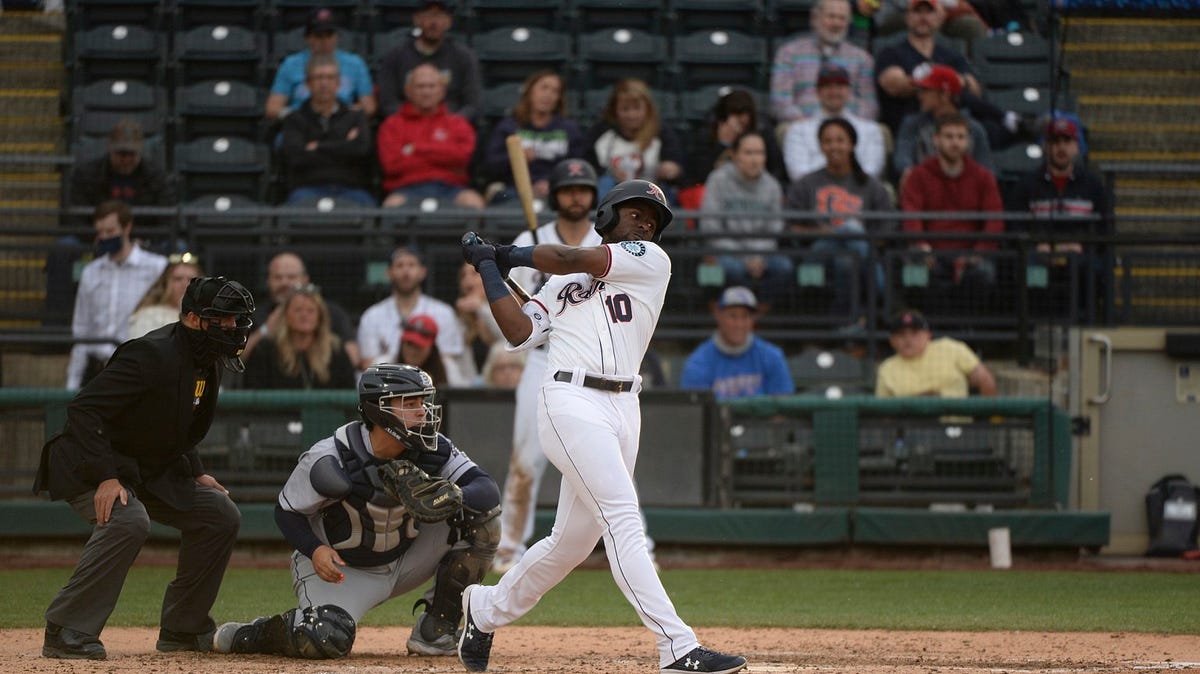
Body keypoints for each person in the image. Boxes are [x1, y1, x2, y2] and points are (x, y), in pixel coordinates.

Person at [457, 179, 747, 674]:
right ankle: (676, 646)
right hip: (569, 399)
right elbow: (519, 330)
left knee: (569, 543)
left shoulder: (650, 260)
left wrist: (507, 252)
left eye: (652, 220)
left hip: (623, 405)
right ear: (610, 214)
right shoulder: (561, 281)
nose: (645, 224)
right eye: (636, 214)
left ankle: (483, 610)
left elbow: (571, 258)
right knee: (622, 518)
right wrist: (489, 268)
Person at [214, 364, 501, 659]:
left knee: (483, 522)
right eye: (411, 404)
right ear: (380, 411)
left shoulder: (433, 448)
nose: (423, 412)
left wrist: (453, 494)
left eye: (423, 402)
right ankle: (251, 634)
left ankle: (436, 633)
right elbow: (286, 512)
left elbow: (488, 490)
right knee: (324, 637)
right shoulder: (331, 455)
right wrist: (314, 549)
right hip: (341, 569)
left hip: (405, 557)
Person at [34, 276, 255, 660]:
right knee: (128, 520)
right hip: (88, 461)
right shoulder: (151, 354)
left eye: (238, 320)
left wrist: (196, 469)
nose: (234, 328)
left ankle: (183, 627)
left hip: (144, 467)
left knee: (219, 513)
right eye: (224, 319)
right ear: (193, 318)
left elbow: (180, 424)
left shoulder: (206, 359)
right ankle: (66, 629)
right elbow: (85, 410)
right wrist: (106, 476)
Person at [490, 158, 603, 574]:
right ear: (555, 196)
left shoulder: (602, 238)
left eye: (583, 189)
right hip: (541, 360)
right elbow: (513, 302)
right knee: (526, 460)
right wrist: (535, 286)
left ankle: (632, 543)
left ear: (592, 196)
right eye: (568, 189)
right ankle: (507, 548)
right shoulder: (528, 239)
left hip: (589, 359)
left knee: (605, 458)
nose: (576, 196)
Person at [787, 118, 895, 319]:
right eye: (827, 141)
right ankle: (873, 297)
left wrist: (852, 237)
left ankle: (843, 324)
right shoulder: (806, 184)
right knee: (851, 230)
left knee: (846, 259)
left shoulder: (872, 186)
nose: (834, 146)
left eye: (840, 140)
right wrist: (829, 233)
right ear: (820, 146)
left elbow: (885, 232)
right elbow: (791, 229)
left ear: (852, 144)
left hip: (858, 255)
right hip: (817, 253)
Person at [1007, 116, 1112, 319]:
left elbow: (1105, 228)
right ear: (1046, 146)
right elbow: (1014, 225)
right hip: (1039, 254)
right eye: (1055, 142)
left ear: (1076, 146)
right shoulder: (1027, 184)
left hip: (1080, 255)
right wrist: (1037, 246)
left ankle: (1084, 325)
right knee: (1029, 271)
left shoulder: (1093, 185)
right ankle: (1033, 329)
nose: (1061, 148)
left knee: (1093, 270)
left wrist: (1081, 246)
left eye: (1067, 141)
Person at [900, 113, 1004, 303]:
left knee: (984, 272)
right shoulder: (918, 175)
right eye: (949, 137)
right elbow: (911, 214)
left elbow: (994, 220)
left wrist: (978, 253)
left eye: (960, 137)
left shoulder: (983, 177)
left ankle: (972, 330)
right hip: (931, 252)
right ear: (936, 140)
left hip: (971, 254)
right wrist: (922, 246)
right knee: (913, 270)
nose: (955, 143)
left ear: (968, 142)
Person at [66, 200, 168, 389]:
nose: (104, 237)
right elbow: (81, 329)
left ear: (127, 227)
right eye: (100, 232)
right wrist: (72, 385)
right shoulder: (91, 272)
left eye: (110, 232)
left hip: (139, 367)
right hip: (97, 369)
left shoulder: (156, 267)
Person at [698, 131, 792, 309]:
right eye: (748, 153)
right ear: (734, 155)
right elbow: (711, 228)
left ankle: (756, 316)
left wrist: (757, 257)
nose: (755, 159)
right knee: (733, 269)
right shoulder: (718, 180)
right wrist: (745, 259)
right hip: (726, 252)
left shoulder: (772, 186)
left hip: (762, 255)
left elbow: (774, 230)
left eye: (760, 153)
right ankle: (734, 315)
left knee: (784, 267)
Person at [357, 246, 474, 386]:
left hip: (434, 384)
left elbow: (447, 359)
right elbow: (368, 365)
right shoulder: (372, 316)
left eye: (411, 265)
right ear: (389, 273)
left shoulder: (443, 312)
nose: (406, 271)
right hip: (389, 388)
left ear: (423, 272)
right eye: (399, 265)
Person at [377, 63, 485, 209]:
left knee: (474, 203)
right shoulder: (392, 125)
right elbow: (392, 166)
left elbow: (462, 159)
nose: (426, 92)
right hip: (406, 188)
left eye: (432, 86)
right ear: (408, 91)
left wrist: (416, 149)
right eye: (420, 86)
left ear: (442, 91)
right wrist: (442, 153)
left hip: (451, 188)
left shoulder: (458, 124)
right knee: (391, 205)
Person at [873, 0, 983, 135]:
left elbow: (974, 89)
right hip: (904, 130)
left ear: (940, 17)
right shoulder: (891, 53)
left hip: (948, 131)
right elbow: (895, 85)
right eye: (917, 12)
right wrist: (948, 82)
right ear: (907, 17)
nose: (923, 18)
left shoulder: (952, 55)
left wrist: (924, 81)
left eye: (929, 12)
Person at [278, 53, 375, 206]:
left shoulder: (356, 116)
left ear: (338, 83)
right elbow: (296, 158)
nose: (324, 83)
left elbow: (361, 150)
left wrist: (317, 146)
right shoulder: (294, 119)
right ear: (308, 83)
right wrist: (344, 144)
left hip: (351, 189)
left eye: (330, 78)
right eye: (318, 78)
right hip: (307, 189)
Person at [481, 69, 585, 205]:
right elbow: (491, 166)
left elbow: (576, 166)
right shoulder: (509, 126)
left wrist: (552, 182)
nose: (548, 95)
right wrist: (517, 158)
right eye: (544, 88)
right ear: (529, 91)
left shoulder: (569, 129)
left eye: (555, 91)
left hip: (556, 191)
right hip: (514, 190)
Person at [769, 0, 877, 126]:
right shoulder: (789, 53)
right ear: (815, 18)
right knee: (784, 129)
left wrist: (847, 127)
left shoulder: (862, 59)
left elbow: (870, 105)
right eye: (831, 17)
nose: (836, 23)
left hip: (849, 130)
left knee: (881, 131)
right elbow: (780, 102)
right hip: (801, 125)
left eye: (842, 18)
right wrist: (806, 125)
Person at [243, 252, 361, 366]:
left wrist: (321, 339)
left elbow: (353, 358)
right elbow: (237, 360)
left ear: (305, 280)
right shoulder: (255, 315)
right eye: (278, 277)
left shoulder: (332, 313)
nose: (284, 282)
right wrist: (265, 330)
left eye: (291, 277)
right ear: (268, 281)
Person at [679, 286, 795, 399]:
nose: (739, 324)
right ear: (719, 316)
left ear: (753, 320)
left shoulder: (772, 356)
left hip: (761, 419)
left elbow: (783, 409)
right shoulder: (699, 362)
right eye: (732, 316)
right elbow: (696, 413)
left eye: (745, 317)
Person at [376, 0, 482, 122]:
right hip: (407, 127)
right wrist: (410, 124)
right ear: (416, 20)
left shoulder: (464, 57)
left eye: (439, 16)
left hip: (449, 129)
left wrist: (451, 125)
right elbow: (388, 103)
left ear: (449, 21)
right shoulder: (395, 57)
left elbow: (472, 105)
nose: (434, 22)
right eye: (428, 15)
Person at [265, 7, 377, 123]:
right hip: (301, 126)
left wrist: (338, 113)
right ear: (307, 38)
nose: (324, 41)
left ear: (336, 37)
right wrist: (301, 116)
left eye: (329, 35)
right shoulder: (291, 64)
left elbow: (369, 107)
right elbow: (272, 109)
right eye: (319, 36)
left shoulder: (355, 63)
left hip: (341, 126)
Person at [584, 78, 685, 201]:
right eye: (625, 109)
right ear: (615, 110)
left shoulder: (661, 132)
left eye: (637, 108)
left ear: (647, 109)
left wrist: (671, 169)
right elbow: (587, 168)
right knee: (604, 182)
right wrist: (609, 173)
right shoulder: (601, 132)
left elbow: (677, 168)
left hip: (653, 189)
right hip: (613, 191)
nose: (631, 115)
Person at [782, 64, 887, 182]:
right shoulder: (798, 130)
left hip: (859, 194)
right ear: (817, 92)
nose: (834, 92)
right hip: (812, 196)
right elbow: (798, 174)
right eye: (827, 86)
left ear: (849, 91)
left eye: (840, 86)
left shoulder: (871, 130)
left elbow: (871, 172)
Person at [242, 285, 357, 390]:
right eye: (298, 310)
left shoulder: (335, 350)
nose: (304, 315)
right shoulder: (265, 350)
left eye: (310, 311)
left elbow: (348, 394)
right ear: (286, 315)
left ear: (320, 317)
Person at [893, 63, 993, 181]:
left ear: (945, 94)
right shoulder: (913, 124)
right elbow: (902, 161)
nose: (919, 95)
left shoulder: (974, 129)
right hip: (924, 187)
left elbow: (986, 171)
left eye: (925, 90)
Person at [684, 88, 786, 196]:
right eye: (736, 114)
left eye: (746, 114)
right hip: (719, 191)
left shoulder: (762, 133)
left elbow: (777, 169)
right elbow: (700, 176)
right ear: (724, 117)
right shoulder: (707, 135)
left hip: (756, 190)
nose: (742, 119)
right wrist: (723, 144)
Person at [875, 308, 997, 398]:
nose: (908, 339)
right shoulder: (887, 368)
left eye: (914, 333)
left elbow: (985, 380)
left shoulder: (950, 348)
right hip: (911, 428)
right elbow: (884, 417)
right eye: (901, 334)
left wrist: (990, 422)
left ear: (928, 335)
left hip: (955, 425)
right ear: (891, 341)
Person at [68, 118, 174, 208]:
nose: (126, 160)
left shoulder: (157, 178)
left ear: (140, 150)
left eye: (131, 154)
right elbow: (77, 221)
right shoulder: (86, 176)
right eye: (121, 153)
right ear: (110, 148)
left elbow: (166, 223)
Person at [128, 253, 204, 339]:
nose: (185, 284)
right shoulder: (148, 315)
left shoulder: (205, 317)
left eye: (191, 280)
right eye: (178, 279)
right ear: (166, 283)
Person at [857, 0, 986, 44]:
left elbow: (954, 2)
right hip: (897, 15)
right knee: (925, 20)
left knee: (970, 25)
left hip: (940, 11)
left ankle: (971, 74)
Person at [456, 262, 503, 377]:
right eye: (463, 276)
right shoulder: (459, 317)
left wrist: (481, 308)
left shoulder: (503, 308)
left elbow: (507, 339)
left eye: (474, 274)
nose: (467, 279)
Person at [398, 314, 450, 386]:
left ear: (431, 348)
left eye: (419, 346)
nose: (412, 351)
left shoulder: (449, 371)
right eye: (409, 343)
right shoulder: (385, 365)